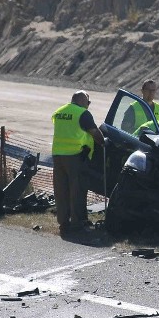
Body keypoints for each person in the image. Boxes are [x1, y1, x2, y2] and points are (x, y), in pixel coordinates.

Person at [51, 90, 104, 234]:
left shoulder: (59, 111)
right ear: (82, 101)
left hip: (57, 155)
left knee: (61, 191)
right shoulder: (82, 113)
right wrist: (103, 142)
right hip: (75, 156)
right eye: (88, 102)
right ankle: (78, 223)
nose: (89, 105)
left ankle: (63, 223)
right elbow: (94, 132)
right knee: (77, 190)